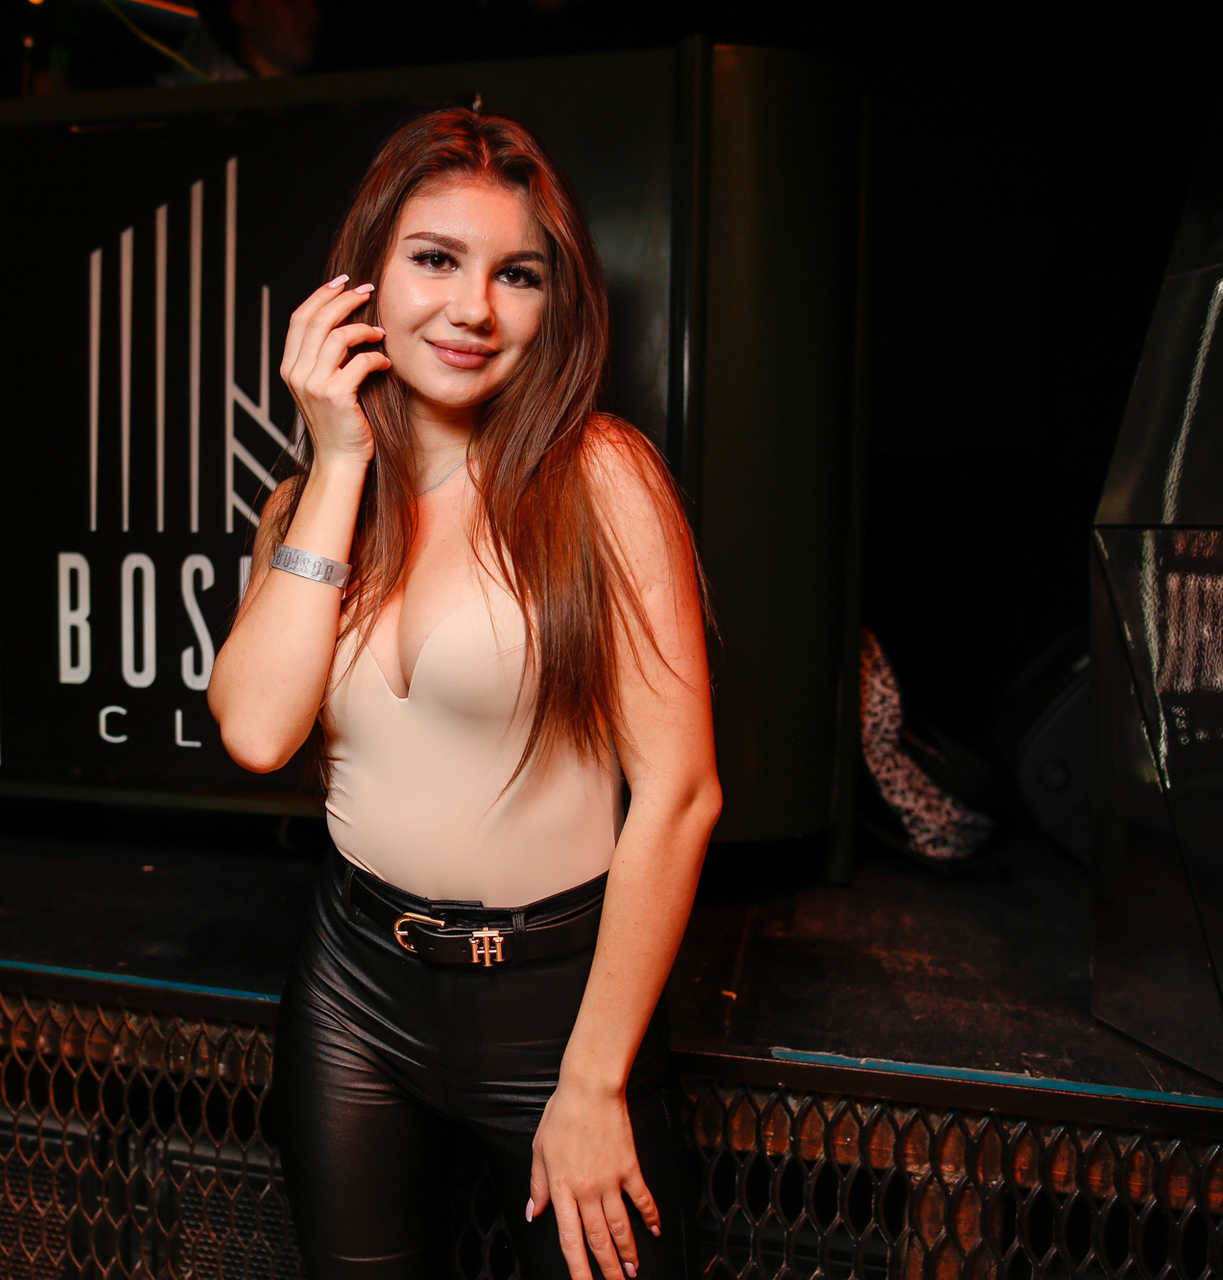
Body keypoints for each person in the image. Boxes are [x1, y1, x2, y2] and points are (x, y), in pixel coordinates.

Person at [206, 107, 720, 1280]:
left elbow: (682, 793)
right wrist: (339, 458)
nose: (474, 308)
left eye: (517, 274)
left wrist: (593, 1081)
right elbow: (258, 729)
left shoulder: (601, 477)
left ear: (554, 302)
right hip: (354, 988)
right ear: (365, 282)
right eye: (435, 259)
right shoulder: (308, 503)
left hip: (562, 1008)